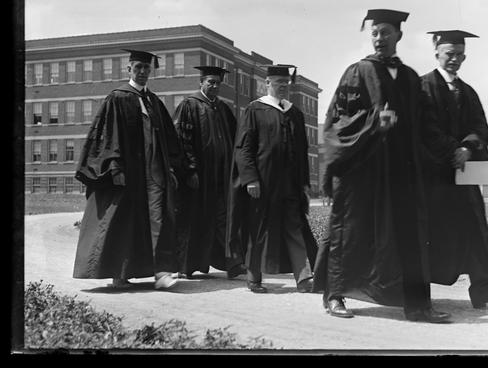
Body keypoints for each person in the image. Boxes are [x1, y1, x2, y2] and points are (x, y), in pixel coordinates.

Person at [313, 9, 456, 322]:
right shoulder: (357, 72)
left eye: (385, 33)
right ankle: (334, 296)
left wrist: (453, 149)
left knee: (410, 234)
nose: (379, 38)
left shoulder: (409, 78)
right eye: (375, 32)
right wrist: (372, 122)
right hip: (362, 169)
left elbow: (427, 126)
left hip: (402, 170)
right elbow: (337, 120)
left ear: (398, 36)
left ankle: (418, 306)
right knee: (350, 231)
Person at [420, 30, 488, 308]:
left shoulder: (468, 91)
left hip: (462, 176)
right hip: (433, 175)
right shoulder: (422, 87)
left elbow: (480, 128)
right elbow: (424, 128)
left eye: (460, 54)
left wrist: (467, 147)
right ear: (436, 52)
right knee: (429, 232)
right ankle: (419, 294)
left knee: (475, 226)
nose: (455, 59)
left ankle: (482, 287)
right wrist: (453, 148)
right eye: (450, 53)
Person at [73, 49, 182, 290]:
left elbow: (168, 138)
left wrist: (170, 169)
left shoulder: (154, 101)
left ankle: (160, 272)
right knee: (123, 221)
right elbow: (106, 137)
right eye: (138, 68)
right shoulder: (118, 98)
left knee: (157, 218)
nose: (143, 72)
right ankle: (119, 274)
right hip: (128, 173)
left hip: (154, 173)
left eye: (147, 68)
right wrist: (114, 166)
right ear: (129, 69)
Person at [227, 64, 318, 293]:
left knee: (294, 226)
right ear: (267, 84)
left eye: (286, 84)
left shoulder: (294, 113)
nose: (284, 88)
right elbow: (243, 148)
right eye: (279, 84)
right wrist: (250, 179)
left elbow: (302, 150)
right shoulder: (255, 109)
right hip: (264, 181)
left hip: (290, 183)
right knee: (258, 228)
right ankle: (254, 276)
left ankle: (303, 277)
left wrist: (304, 183)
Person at [172, 66, 245, 279]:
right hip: (199, 176)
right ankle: (186, 266)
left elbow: (235, 138)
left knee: (224, 217)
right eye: (210, 82)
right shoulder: (189, 105)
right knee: (194, 218)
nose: (214, 86)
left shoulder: (222, 108)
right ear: (201, 83)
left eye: (217, 83)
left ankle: (233, 262)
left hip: (221, 175)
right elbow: (181, 140)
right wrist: (190, 170)